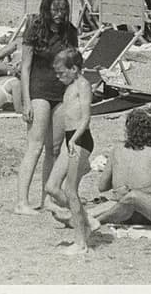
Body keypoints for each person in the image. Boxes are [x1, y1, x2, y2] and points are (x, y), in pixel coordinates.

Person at [15, 0, 79, 215]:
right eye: (55, 10)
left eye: (62, 10)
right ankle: (22, 201)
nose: (59, 15)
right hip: (38, 90)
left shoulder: (70, 32)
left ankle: (47, 198)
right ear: (47, 9)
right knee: (35, 147)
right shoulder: (35, 28)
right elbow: (25, 67)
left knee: (54, 148)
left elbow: (73, 66)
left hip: (61, 93)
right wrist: (26, 101)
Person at [44, 48, 99, 254]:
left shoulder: (83, 85)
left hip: (80, 139)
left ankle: (81, 242)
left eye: (61, 73)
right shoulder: (70, 86)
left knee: (70, 191)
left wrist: (74, 140)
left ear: (74, 69)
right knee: (51, 187)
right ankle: (87, 219)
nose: (58, 77)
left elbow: (85, 117)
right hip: (70, 140)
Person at [85, 109, 151, 227]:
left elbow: (102, 187)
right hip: (146, 213)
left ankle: (87, 219)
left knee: (107, 205)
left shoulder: (116, 150)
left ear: (128, 131)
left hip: (119, 213)